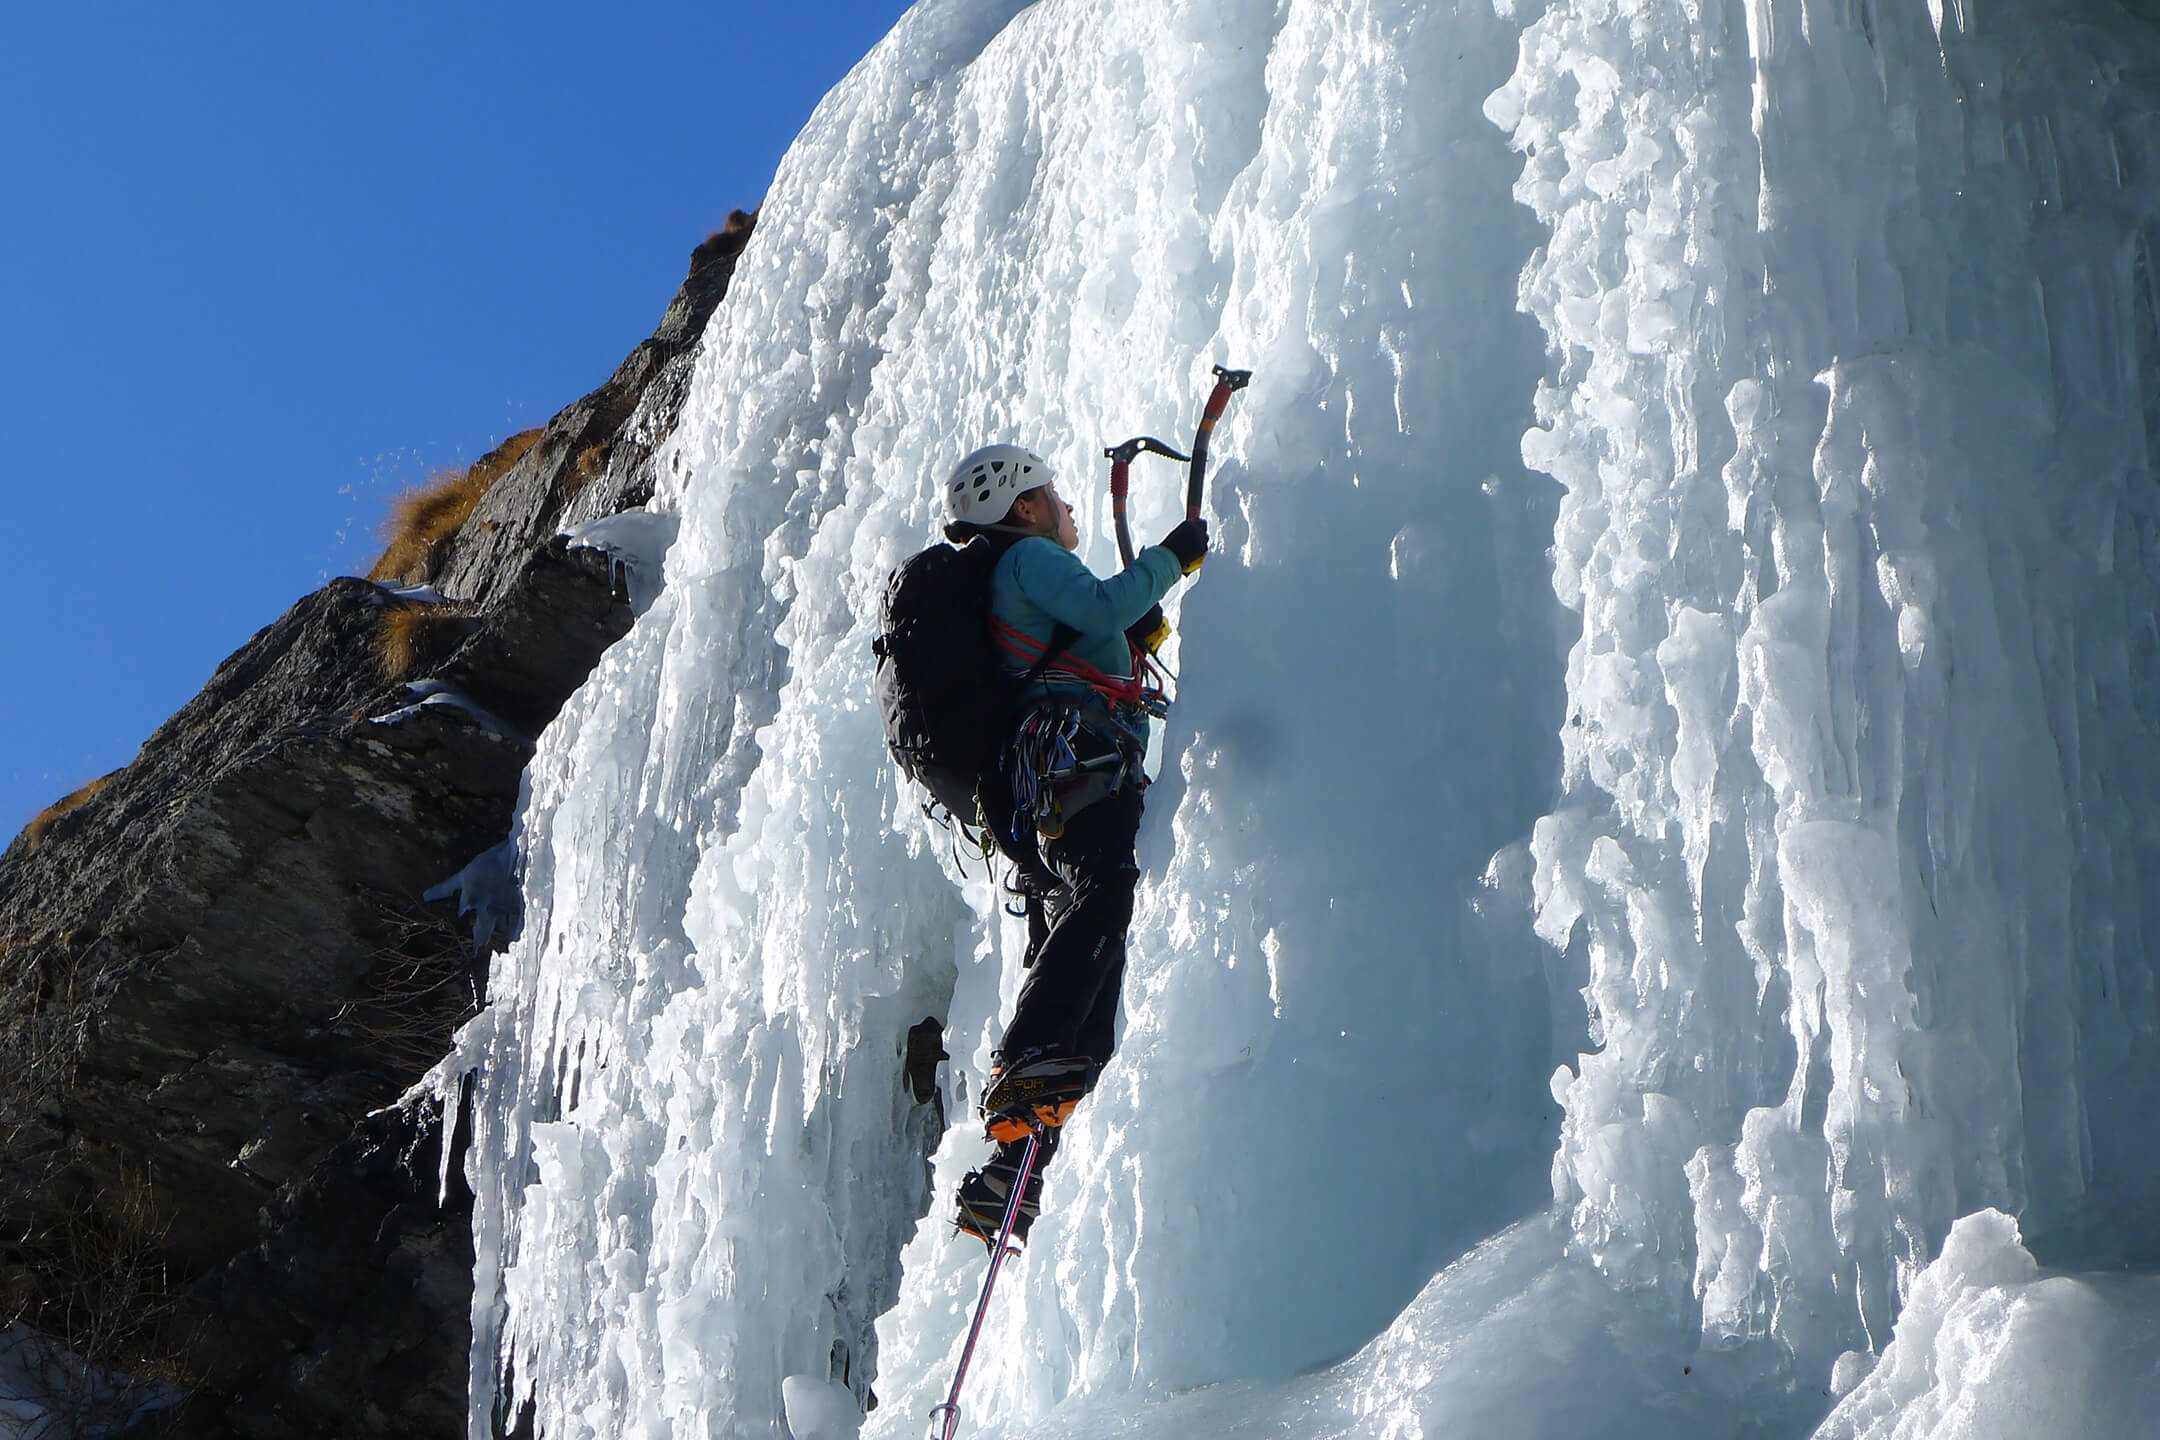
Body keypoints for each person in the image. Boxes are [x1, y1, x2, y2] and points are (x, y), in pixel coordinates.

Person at [935, 443, 1206, 1245]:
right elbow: (1100, 608)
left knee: (1094, 963)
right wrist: (1174, 557)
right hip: (1075, 770)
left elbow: (1096, 634)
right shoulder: (1027, 562)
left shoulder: (1014, 579)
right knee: (1106, 892)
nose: (1065, 506)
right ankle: (1026, 1064)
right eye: (1050, 493)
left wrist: (1132, 629)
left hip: (1056, 786)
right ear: (1023, 508)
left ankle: (1015, 1167)